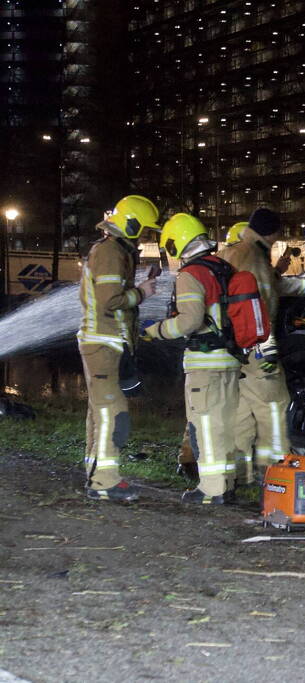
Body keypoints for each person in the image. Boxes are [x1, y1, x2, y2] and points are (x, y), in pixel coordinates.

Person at [219, 208, 305, 485]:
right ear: (273, 232)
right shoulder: (254, 256)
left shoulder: (233, 251)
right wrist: (269, 351)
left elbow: (278, 285)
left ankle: (235, 475)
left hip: (231, 346)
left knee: (241, 411)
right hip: (254, 346)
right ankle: (275, 473)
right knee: (276, 404)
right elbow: (260, 309)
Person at [142, 213, 242, 504]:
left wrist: (157, 331)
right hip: (231, 360)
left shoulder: (191, 274)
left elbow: (189, 321)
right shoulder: (224, 267)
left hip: (204, 363)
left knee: (204, 425)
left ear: (177, 243)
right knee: (224, 424)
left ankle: (211, 490)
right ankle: (226, 484)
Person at [78, 195, 161, 501]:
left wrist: (142, 284)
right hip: (103, 343)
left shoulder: (112, 250)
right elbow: (110, 301)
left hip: (105, 341)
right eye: (142, 230)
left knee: (100, 413)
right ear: (130, 223)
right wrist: (142, 292)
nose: (143, 237)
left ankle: (95, 473)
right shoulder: (111, 251)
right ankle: (104, 482)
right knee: (114, 413)